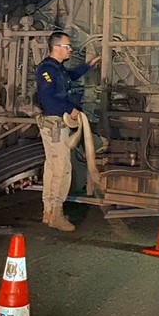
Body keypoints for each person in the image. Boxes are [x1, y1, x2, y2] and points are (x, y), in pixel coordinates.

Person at [35, 31, 100, 232]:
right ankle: (56, 214)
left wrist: (88, 65)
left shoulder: (58, 69)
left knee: (53, 168)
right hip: (55, 125)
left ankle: (49, 212)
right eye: (67, 46)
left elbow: (70, 77)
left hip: (58, 125)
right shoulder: (46, 69)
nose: (70, 49)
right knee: (62, 169)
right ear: (56, 47)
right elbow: (47, 98)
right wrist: (69, 109)